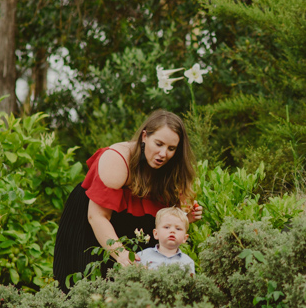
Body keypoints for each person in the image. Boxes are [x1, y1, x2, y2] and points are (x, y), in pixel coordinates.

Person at [52, 110, 202, 292]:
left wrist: (185, 217)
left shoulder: (171, 167)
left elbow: (160, 219)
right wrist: (121, 254)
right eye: (158, 144)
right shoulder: (117, 160)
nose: (163, 154)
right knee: (86, 283)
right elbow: (97, 217)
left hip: (133, 224)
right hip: (92, 223)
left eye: (171, 148)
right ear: (145, 136)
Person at [135, 207, 196, 273]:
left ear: (185, 238)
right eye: (167, 227)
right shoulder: (143, 256)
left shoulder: (187, 262)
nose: (172, 231)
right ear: (156, 234)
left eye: (178, 229)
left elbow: (190, 282)